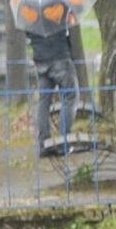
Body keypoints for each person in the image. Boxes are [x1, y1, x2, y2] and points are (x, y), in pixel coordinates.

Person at [28, 23, 82, 153]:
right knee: (71, 96)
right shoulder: (56, 6)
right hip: (60, 57)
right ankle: (64, 142)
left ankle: (42, 144)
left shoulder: (30, 12)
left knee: (43, 102)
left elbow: (28, 33)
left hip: (40, 60)